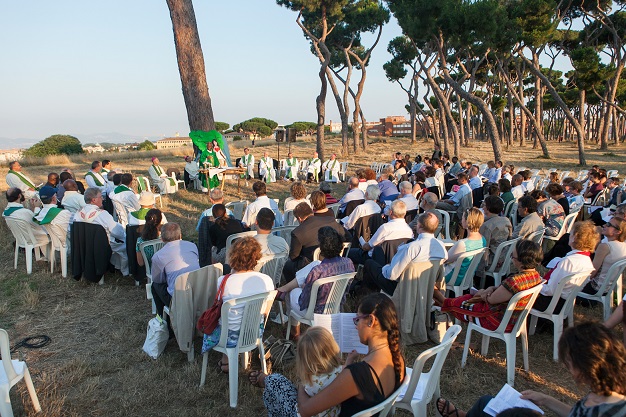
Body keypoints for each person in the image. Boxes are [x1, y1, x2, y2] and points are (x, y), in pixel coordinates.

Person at [256, 293, 405, 417]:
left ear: (371, 321)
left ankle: (266, 380)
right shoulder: (397, 358)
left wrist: (302, 382)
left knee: (276, 381)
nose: (356, 326)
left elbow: (304, 410)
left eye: (357, 320)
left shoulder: (357, 374)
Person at [437, 322, 626, 417]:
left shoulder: (615, 410)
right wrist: (545, 399)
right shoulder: (601, 390)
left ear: (588, 364)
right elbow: (576, 413)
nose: (566, 367)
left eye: (569, 362)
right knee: (486, 402)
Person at [435, 239, 543, 332]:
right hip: (512, 320)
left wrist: (483, 293)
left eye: (512, 256)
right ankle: (443, 302)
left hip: (496, 322)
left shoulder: (514, 282)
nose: (512, 259)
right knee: (468, 299)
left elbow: (491, 300)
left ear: (521, 260)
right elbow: (502, 292)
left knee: (462, 303)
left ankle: (442, 300)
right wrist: (491, 288)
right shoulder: (536, 277)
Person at [201, 237, 273, 372]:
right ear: (256, 257)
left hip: (228, 337)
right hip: (254, 332)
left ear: (232, 256)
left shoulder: (224, 281)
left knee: (224, 322)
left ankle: (225, 361)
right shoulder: (266, 280)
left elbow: (221, 310)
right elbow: (265, 313)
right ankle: (242, 356)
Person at [277, 227, 355, 337]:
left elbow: (304, 301)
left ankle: (294, 332)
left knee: (292, 291)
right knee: (315, 263)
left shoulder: (317, 272)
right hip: (336, 306)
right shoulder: (348, 263)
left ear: (321, 247)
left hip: (315, 312)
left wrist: (305, 287)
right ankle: (286, 287)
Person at [250, 326, 344, 417]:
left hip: (302, 413)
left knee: (275, 380)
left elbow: (301, 396)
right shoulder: (342, 371)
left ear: (305, 360)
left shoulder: (312, 382)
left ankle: (264, 380)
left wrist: (301, 384)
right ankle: (265, 380)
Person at [363, 212, 447, 295]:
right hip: (426, 287)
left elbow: (392, 275)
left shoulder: (410, 248)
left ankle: (370, 294)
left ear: (419, 226)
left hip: (403, 288)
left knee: (369, 263)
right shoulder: (441, 247)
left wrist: (386, 267)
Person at [533, 220, 598, 313]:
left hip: (550, 303)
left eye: (570, 233)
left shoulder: (568, 262)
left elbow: (549, 290)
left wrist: (535, 282)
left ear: (574, 237)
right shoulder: (587, 260)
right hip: (565, 302)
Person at [282, 203, 352, 283]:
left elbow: (294, 256)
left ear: (299, 218)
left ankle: (293, 287)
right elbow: (348, 237)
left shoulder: (297, 232)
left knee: (288, 266)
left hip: (312, 264)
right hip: (335, 258)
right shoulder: (330, 220)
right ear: (312, 212)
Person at [150, 223, 200, 333]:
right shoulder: (192, 246)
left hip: (178, 299)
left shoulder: (158, 256)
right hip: (199, 292)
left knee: (155, 286)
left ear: (161, 238)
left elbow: (158, 280)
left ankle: (165, 323)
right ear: (180, 235)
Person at [74, 188, 129, 277]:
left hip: (83, 244)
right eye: (101, 197)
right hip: (102, 245)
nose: (103, 199)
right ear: (94, 200)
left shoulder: (78, 213)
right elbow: (116, 232)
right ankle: (124, 270)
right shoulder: (102, 214)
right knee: (125, 244)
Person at [349, 200, 413, 266]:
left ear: (390, 212)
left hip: (376, 259)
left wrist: (363, 243)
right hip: (397, 261)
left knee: (349, 252)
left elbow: (368, 247)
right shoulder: (409, 231)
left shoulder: (385, 228)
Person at [441, 208, 486, 288]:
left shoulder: (462, 244)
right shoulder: (483, 239)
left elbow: (445, 260)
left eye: (462, 218)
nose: (461, 220)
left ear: (466, 221)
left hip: (453, 277)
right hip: (467, 276)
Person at [581, 217, 626, 296]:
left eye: (609, 225)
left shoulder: (605, 247)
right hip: (608, 288)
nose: (604, 225)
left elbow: (592, 272)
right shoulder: (623, 246)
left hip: (593, 289)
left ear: (618, 231)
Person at [3, 188, 49, 253]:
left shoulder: (5, 212)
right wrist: (37, 208)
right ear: (19, 196)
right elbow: (38, 224)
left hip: (20, 239)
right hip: (33, 239)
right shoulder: (24, 212)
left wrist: (32, 207)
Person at [479, 195, 512, 272]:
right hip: (504, 256)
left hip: (491, 260)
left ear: (488, 208)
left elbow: (483, 248)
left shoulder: (487, 226)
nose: (483, 208)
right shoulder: (506, 220)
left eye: (484, 205)